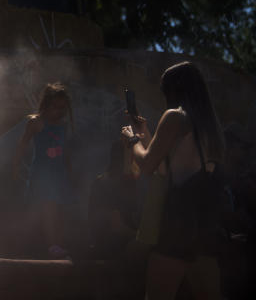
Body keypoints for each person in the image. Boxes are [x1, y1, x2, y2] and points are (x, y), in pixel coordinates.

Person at [121, 61, 225, 300]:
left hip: (176, 228)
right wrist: (145, 134)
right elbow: (167, 166)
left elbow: (147, 166)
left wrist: (131, 139)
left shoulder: (174, 117)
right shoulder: (209, 126)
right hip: (204, 229)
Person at [13, 82, 75, 259]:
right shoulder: (36, 122)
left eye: (63, 108)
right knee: (49, 206)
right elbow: (22, 145)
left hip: (59, 173)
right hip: (42, 174)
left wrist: (70, 173)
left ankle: (57, 242)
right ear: (46, 105)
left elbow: (66, 151)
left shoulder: (62, 125)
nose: (60, 111)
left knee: (58, 207)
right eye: (56, 107)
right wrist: (15, 166)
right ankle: (52, 244)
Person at [88, 138, 144, 260]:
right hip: (111, 247)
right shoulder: (108, 184)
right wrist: (142, 238)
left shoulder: (126, 182)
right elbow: (117, 228)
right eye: (134, 157)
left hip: (117, 242)